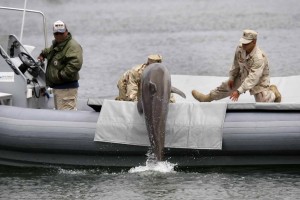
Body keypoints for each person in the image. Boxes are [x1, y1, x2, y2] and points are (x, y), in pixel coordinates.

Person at [192, 29, 281, 103]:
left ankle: (273, 91)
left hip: (258, 80)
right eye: (243, 42)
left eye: (246, 43)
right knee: (226, 86)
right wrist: (232, 77)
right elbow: (235, 64)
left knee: (263, 101)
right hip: (243, 75)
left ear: (254, 42)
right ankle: (207, 98)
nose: (243, 45)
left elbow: (253, 78)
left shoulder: (259, 57)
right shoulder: (240, 49)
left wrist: (239, 91)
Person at [38, 20, 83, 110]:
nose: (59, 36)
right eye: (56, 33)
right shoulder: (58, 44)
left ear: (66, 31)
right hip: (58, 87)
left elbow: (75, 64)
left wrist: (60, 75)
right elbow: (50, 51)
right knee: (61, 114)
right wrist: (43, 54)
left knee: (67, 115)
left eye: (61, 33)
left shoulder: (73, 46)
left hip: (67, 88)